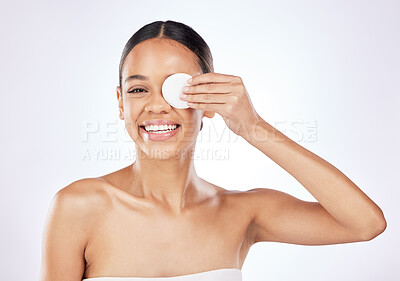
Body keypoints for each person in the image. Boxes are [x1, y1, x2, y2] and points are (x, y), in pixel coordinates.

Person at [38, 20, 387, 281]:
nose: (156, 107)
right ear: (120, 103)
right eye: (138, 90)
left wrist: (254, 127)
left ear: (208, 100)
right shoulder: (79, 206)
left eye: (175, 90)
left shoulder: (243, 212)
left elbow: (365, 224)